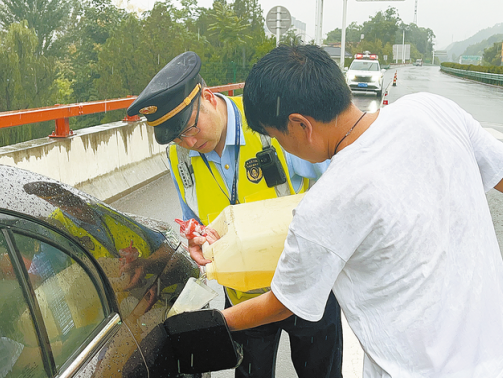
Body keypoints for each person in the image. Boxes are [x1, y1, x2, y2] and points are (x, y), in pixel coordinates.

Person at [220, 44, 503, 378]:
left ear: (300, 125)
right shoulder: (433, 110)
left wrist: (213, 323)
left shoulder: (326, 204)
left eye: (278, 137)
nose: (284, 147)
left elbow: (283, 303)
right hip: (499, 360)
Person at [127, 51, 343, 378]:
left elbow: (338, 187)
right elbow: (195, 222)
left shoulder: (269, 122)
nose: (188, 141)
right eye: (177, 137)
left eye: (189, 127)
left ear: (209, 98)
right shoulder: (180, 157)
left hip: (307, 289)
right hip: (245, 301)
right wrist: (198, 238)